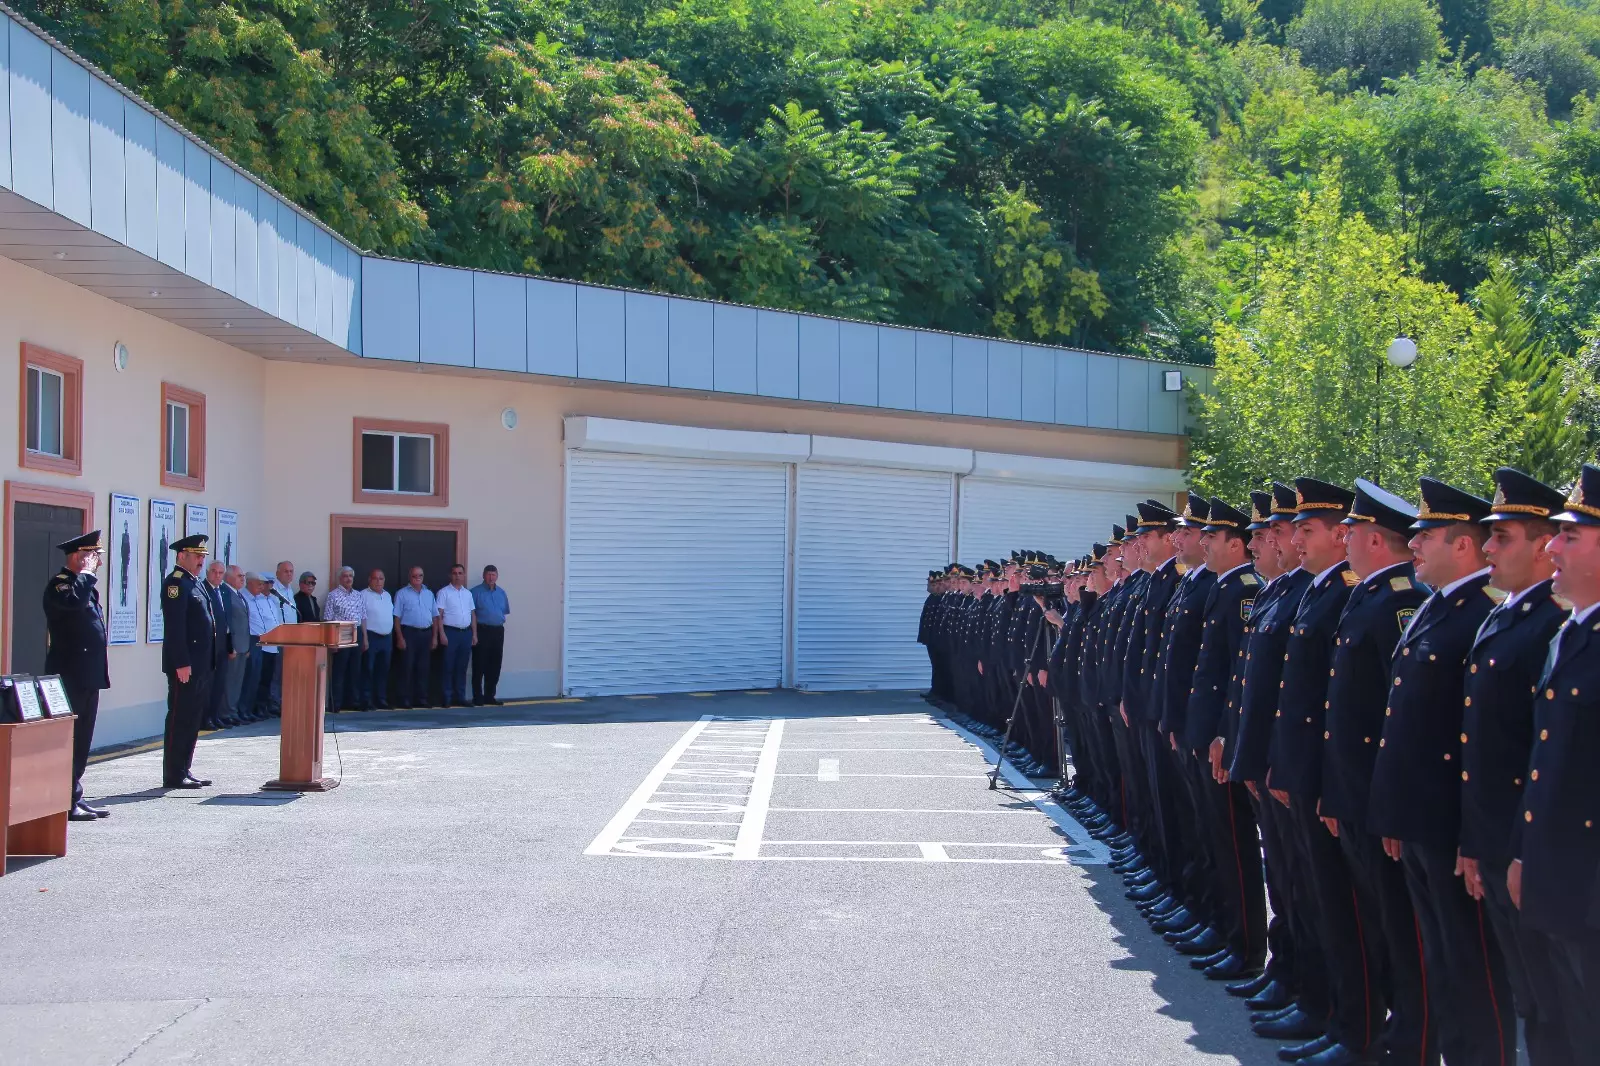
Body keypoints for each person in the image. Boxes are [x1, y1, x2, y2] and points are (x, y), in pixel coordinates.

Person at [1459, 468, 1577, 1065]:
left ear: (1539, 546)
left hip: (1545, 858)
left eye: (1502, 536)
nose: (1487, 548)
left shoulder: (1553, 624)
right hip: (1505, 846)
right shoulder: (1514, 617)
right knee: (1531, 998)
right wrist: (1479, 843)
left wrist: (1519, 849)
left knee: (1559, 1011)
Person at [1515, 462, 1600, 1058]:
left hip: (1589, 888)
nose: (1553, 546)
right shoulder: (1571, 633)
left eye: (1571, 536)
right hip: (1558, 880)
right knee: (1560, 1023)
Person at [42, 529, 111, 822]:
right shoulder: (61, 586)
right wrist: (86, 574)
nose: (97, 562)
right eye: (92, 556)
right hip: (70, 674)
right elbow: (72, 605)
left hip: (88, 674)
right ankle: (64, 800)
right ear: (76, 557)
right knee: (69, 739)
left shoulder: (83, 585)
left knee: (82, 739)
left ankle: (74, 796)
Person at [160, 534, 219, 789]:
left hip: (201, 664)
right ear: (181, 556)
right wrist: (181, 662)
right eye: (197, 556)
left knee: (193, 718)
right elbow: (175, 628)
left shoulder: (196, 583)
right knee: (179, 718)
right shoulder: (176, 584)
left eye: (203, 557)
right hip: (186, 665)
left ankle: (185, 767)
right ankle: (173, 773)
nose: (200, 561)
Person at [393, 566, 437, 708]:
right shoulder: (401, 594)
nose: (417, 578)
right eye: (414, 575)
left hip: (426, 634)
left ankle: (422, 698)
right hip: (409, 634)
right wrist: (400, 637)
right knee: (407, 667)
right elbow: (397, 618)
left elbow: (435, 616)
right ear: (409, 577)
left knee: (423, 668)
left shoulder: (429, 594)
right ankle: (404, 699)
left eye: (420, 575)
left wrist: (434, 637)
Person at [200, 560, 237, 731]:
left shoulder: (223, 591)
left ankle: (214, 716)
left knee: (219, 683)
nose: (217, 575)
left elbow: (227, 622)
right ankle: (205, 718)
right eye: (214, 571)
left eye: (220, 573)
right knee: (208, 684)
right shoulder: (202, 589)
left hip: (222, 645)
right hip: (209, 646)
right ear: (207, 572)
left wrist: (230, 647)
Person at [321, 566, 364, 711]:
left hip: (357, 632)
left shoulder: (358, 595)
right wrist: (331, 641)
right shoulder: (333, 595)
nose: (349, 579)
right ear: (340, 578)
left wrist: (366, 639)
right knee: (339, 669)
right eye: (345, 576)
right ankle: (336, 703)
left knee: (355, 669)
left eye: (351, 576)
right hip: (341, 633)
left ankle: (353, 701)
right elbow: (327, 618)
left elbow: (363, 618)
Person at [435, 564, 476, 707]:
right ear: (450, 575)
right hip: (450, 633)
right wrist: (441, 634)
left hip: (465, 633)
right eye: (454, 573)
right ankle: (447, 697)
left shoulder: (468, 594)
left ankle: (460, 697)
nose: (457, 576)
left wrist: (474, 634)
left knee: (462, 667)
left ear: (464, 575)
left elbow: (472, 614)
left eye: (460, 573)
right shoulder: (444, 593)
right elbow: (438, 615)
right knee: (448, 666)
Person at [470, 565, 509, 705]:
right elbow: (471, 613)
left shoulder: (502, 593)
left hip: (498, 631)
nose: (491, 577)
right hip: (482, 630)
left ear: (497, 576)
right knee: (479, 664)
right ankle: (477, 697)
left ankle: (490, 696)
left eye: (493, 575)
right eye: (488, 574)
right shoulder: (475, 592)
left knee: (495, 664)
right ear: (483, 575)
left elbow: (503, 612)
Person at [359, 569, 395, 710]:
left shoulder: (387, 595)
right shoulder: (363, 595)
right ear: (370, 580)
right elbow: (362, 618)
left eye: (381, 578)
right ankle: (366, 700)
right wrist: (365, 639)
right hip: (371, 637)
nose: (378, 581)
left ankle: (381, 699)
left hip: (386, 638)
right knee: (368, 669)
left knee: (383, 670)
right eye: (375, 578)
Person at [221, 565, 251, 720]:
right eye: (239, 576)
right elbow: (228, 623)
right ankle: (226, 712)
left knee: (238, 681)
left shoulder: (239, 595)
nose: (243, 579)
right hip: (233, 645)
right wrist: (230, 645)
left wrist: (247, 646)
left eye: (243, 576)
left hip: (243, 645)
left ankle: (233, 711)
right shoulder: (225, 593)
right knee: (229, 681)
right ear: (229, 577)